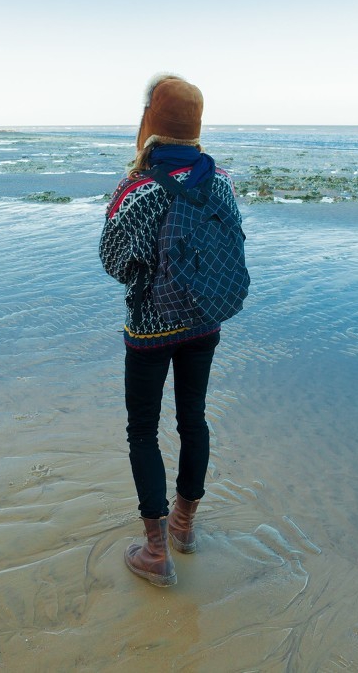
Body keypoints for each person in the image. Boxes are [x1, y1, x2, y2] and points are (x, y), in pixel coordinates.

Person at [99, 74, 243, 587]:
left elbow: (113, 261)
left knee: (143, 430)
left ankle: (155, 551)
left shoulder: (135, 189)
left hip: (150, 329)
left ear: (149, 122)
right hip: (205, 320)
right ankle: (184, 526)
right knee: (193, 420)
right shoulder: (221, 181)